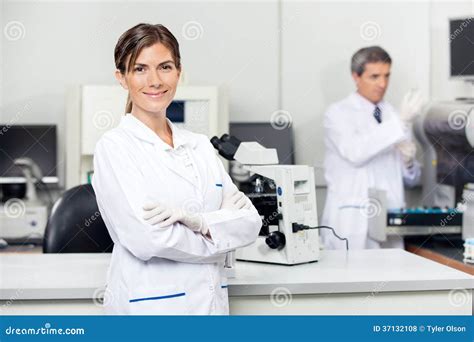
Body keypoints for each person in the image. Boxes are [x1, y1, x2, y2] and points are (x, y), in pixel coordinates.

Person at [92, 23, 262, 315]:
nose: (155, 80)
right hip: (152, 311)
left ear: (179, 72)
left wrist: (197, 222)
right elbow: (147, 240)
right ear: (122, 78)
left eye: (165, 67)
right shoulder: (115, 147)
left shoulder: (199, 145)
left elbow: (249, 222)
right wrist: (218, 234)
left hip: (211, 306)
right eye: (140, 69)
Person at [321, 46, 423, 250]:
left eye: (387, 75)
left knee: (391, 279)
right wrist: (399, 124)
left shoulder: (395, 115)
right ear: (356, 77)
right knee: (351, 278)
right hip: (352, 221)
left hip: (390, 220)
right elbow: (355, 153)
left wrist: (409, 163)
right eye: (374, 76)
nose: (383, 84)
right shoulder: (337, 114)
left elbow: (412, 181)